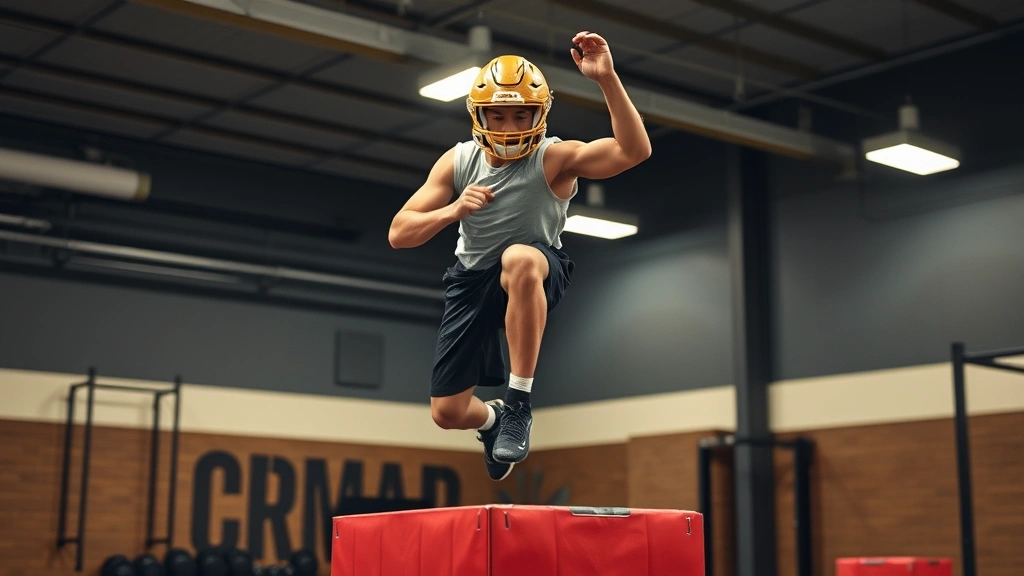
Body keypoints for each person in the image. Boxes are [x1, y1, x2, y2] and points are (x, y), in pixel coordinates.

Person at [388, 31, 651, 481]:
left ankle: (517, 404)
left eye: (521, 115)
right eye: (499, 116)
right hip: (471, 281)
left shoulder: (555, 157)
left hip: (536, 268)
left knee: (519, 258)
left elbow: (633, 151)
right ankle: (492, 421)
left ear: (539, 115)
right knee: (447, 413)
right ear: (480, 116)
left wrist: (606, 79)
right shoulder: (458, 161)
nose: (509, 127)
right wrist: (453, 209)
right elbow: (399, 233)